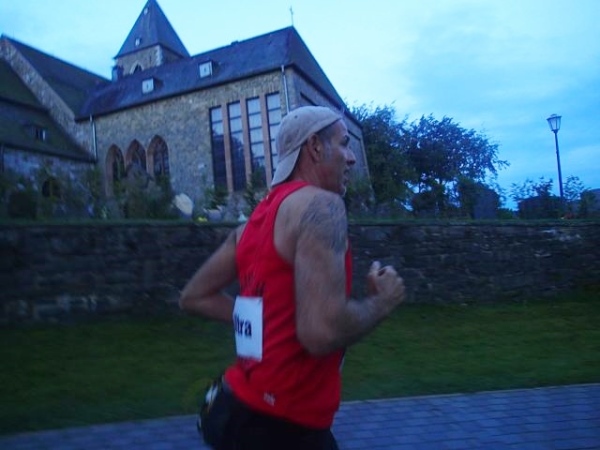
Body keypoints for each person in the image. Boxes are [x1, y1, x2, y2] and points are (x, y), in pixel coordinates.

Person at [179, 105, 406, 449]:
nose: (351, 159)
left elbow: (194, 297)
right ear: (314, 146)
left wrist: (266, 320)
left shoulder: (251, 225)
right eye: (344, 144)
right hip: (285, 428)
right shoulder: (322, 206)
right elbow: (322, 333)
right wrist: (381, 302)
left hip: (234, 410)